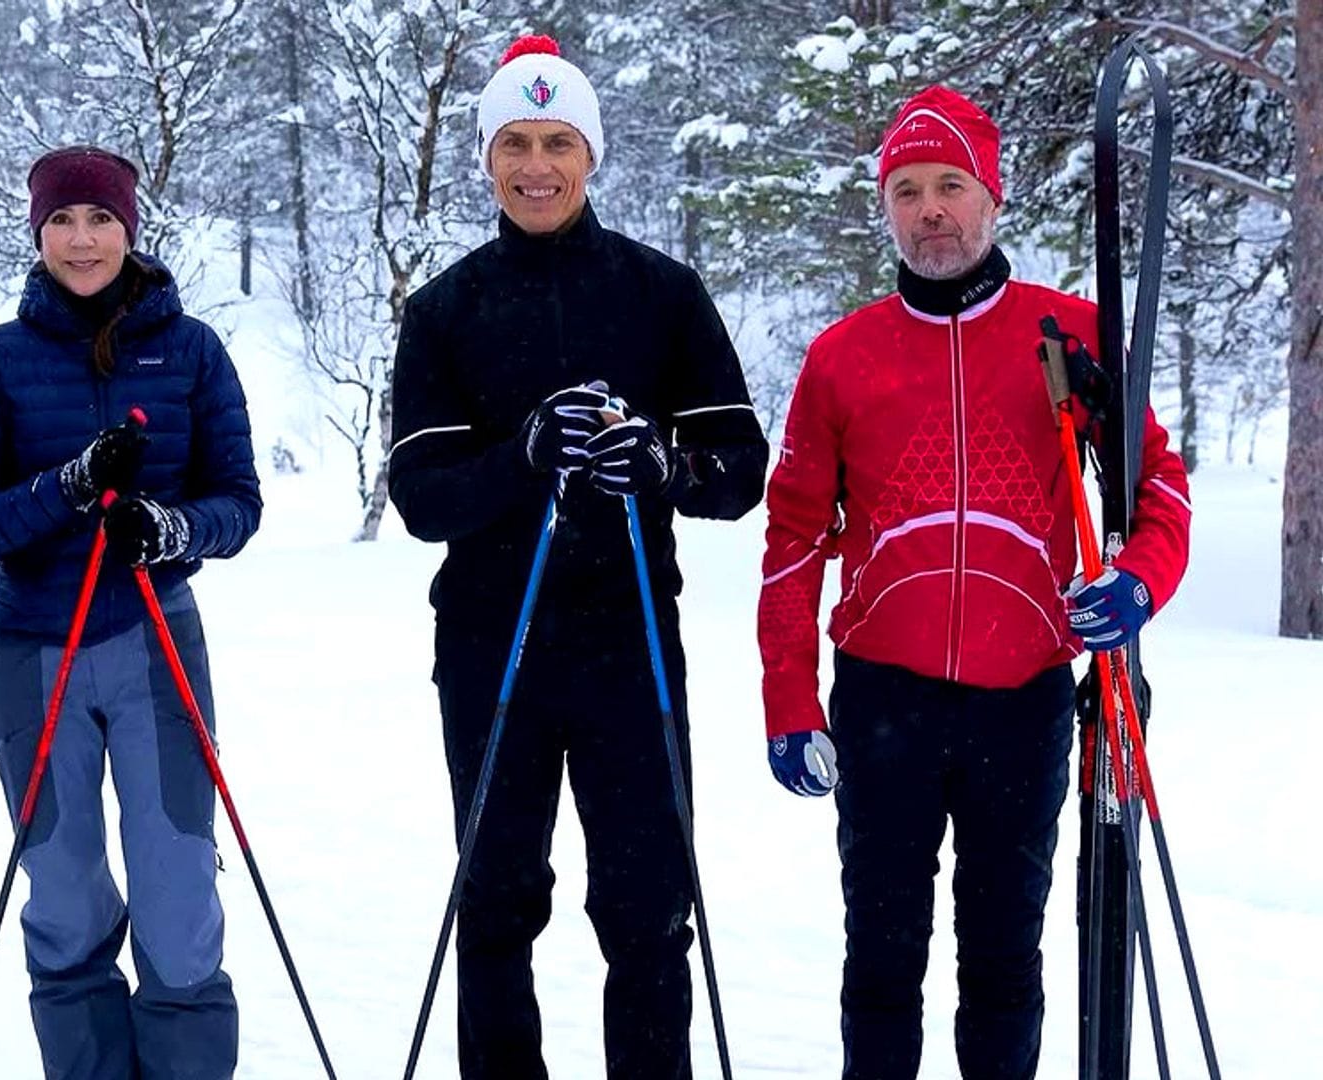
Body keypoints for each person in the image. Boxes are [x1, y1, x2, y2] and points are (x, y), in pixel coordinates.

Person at [755, 86, 1193, 1079]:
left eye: (951, 184)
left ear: (992, 196)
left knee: (1004, 960)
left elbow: (1159, 483)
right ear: (888, 208)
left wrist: (1138, 582)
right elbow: (790, 540)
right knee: (880, 962)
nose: (930, 210)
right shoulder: (841, 358)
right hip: (881, 701)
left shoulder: (1068, 334)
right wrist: (787, 696)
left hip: (1023, 698)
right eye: (906, 190)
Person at [386, 35, 767, 1080]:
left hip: (629, 642)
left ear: (591, 156)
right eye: (515, 142)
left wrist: (662, 465)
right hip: (490, 645)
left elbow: (739, 472)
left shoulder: (661, 292)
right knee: (498, 902)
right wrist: (522, 457)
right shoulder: (445, 310)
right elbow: (420, 498)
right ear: (489, 158)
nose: (537, 165)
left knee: (646, 910)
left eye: (558, 141)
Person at [0, 145, 260, 1080]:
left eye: (101, 220)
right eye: (63, 222)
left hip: (155, 641)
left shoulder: (191, 348)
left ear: (130, 227)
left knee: (177, 892)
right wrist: (69, 487)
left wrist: (168, 529)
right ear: (38, 234)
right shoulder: (0, 359)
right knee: (65, 891)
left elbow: (236, 502)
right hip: (35, 649)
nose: (82, 240)